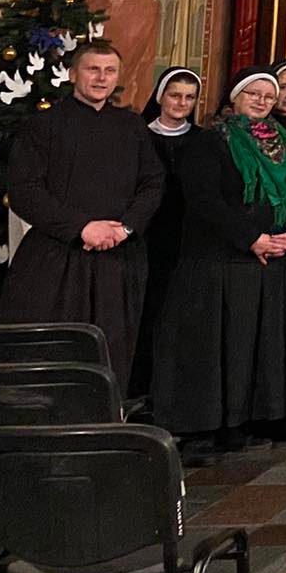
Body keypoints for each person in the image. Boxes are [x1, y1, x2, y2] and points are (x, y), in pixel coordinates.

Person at [149, 68, 286, 457]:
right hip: (217, 262)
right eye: (253, 94)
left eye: (268, 96)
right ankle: (201, 426)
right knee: (213, 349)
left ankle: (240, 422)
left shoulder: (285, 144)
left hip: (267, 264)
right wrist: (250, 237)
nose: (261, 101)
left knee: (248, 349)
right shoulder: (210, 142)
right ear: (234, 97)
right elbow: (205, 201)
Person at [0, 40, 164, 387]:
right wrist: (82, 228)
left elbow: (152, 184)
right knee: (50, 353)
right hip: (57, 257)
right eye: (93, 69)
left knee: (111, 353)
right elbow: (25, 192)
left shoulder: (132, 127)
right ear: (73, 73)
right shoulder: (42, 126)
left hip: (118, 260)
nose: (102, 78)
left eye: (110, 71)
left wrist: (125, 229)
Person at [131, 68, 201, 400]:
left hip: (189, 241)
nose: (181, 103)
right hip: (145, 238)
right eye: (175, 95)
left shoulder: (204, 140)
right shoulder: (137, 136)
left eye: (189, 97)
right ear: (160, 96)